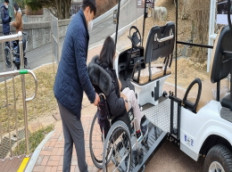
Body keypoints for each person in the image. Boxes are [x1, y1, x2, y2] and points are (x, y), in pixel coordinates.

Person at [53, 0, 99, 172]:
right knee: (78, 136)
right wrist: (93, 95)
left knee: (68, 141)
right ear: (88, 10)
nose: (92, 21)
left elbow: (80, 67)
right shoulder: (80, 29)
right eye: (92, 17)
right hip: (67, 95)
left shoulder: (75, 20)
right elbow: (81, 70)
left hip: (62, 90)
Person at [89, 36, 146, 139]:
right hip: (114, 108)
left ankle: (136, 124)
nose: (115, 55)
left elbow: (114, 91)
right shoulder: (109, 74)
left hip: (105, 107)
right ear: (112, 53)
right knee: (132, 95)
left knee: (127, 90)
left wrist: (121, 93)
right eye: (114, 53)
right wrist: (123, 99)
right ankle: (139, 130)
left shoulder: (100, 68)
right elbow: (115, 93)